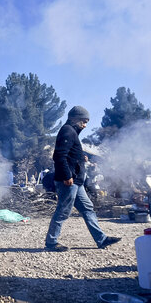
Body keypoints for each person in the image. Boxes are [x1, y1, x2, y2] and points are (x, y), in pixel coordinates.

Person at [45, 106, 121, 251]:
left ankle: (101, 239)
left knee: (88, 208)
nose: (85, 125)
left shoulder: (72, 132)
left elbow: (69, 154)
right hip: (68, 181)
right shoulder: (67, 130)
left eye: (87, 122)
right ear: (74, 118)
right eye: (83, 121)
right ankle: (51, 242)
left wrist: (81, 157)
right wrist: (67, 176)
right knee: (63, 211)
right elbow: (59, 156)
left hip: (77, 182)